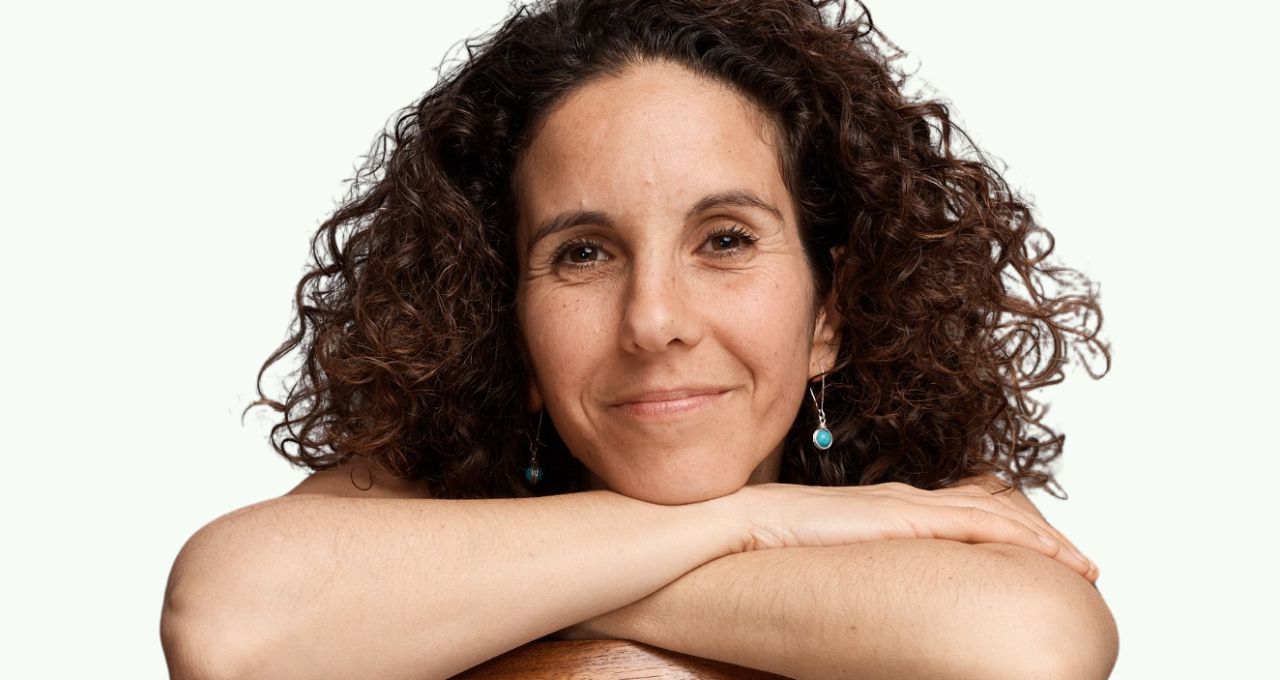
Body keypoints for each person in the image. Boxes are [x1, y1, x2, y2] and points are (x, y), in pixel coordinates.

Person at [160, 0, 1117, 678]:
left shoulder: (918, 516)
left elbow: (1032, 645)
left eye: (727, 240)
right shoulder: (408, 502)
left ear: (832, 313)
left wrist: (570, 582)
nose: (654, 320)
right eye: (582, 254)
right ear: (506, 314)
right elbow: (230, 620)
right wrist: (743, 521)